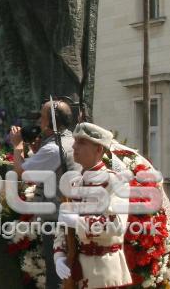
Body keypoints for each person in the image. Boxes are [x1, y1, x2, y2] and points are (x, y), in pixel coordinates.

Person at [9, 98, 81, 288]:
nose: (38, 122)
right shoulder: (72, 141)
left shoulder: (53, 147)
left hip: (56, 218)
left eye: (41, 117)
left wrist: (17, 146)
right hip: (72, 215)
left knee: (56, 275)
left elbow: (22, 172)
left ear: (50, 122)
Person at [53, 122, 131, 288]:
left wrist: (78, 222)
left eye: (82, 142)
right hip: (75, 272)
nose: (74, 146)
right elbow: (63, 228)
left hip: (105, 274)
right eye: (75, 141)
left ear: (99, 149)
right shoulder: (74, 184)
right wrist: (59, 255)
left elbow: (116, 225)